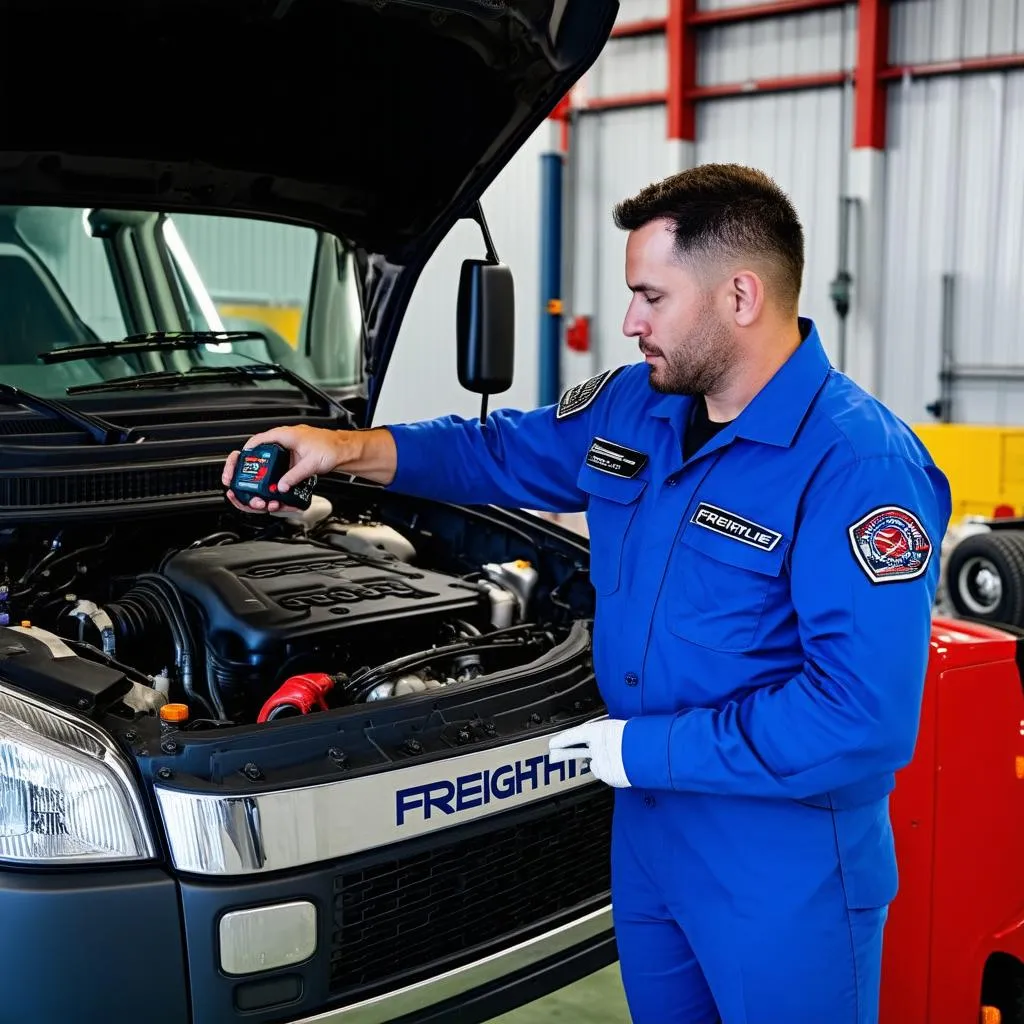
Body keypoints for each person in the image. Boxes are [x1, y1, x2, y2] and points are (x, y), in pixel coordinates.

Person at [222, 163, 952, 1024]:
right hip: (648, 834)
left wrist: (643, 752)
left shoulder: (857, 466)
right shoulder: (633, 407)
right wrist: (341, 449)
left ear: (741, 296)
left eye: (651, 296)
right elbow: (491, 453)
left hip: (781, 858)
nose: (631, 322)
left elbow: (859, 717)